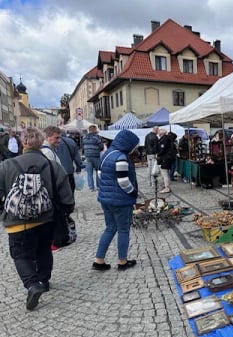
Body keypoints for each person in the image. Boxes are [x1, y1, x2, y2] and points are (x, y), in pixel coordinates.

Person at [0, 127, 74, 310]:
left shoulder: (6, 166)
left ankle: (32, 284)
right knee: (43, 250)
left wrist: (4, 212)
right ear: (41, 142)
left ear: (22, 142)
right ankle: (44, 280)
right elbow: (66, 195)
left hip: (17, 222)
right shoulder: (51, 165)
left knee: (21, 255)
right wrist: (66, 211)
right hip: (45, 218)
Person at [92, 129, 139, 272]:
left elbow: (100, 175)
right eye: (133, 146)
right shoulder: (121, 157)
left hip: (105, 199)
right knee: (123, 230)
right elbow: (123, 181)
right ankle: (122, 261)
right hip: (121, 201)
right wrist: (133, 193)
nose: (134, 149)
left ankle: (99, 260)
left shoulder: (107, 154)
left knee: (110, 228)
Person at [82, 125, 103, 191]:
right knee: (98, 171)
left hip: (88, 157)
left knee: (89, 173)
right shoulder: (96, 137)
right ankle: (98, 186)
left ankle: (91, 187)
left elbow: (83, 146)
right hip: (96, 156)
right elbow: (101, 146)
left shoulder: (84, 137)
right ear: (94, 130)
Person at [156, 128, 172, 193]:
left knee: (164, 173)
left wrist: (157, 155)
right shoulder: (165, 139)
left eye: (159, 132)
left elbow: (162, 149)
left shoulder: (164, 139)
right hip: (166, 158)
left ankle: (167, 187)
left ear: (162, 133)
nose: (158, 133)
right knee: (165, 173)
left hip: (165, 158)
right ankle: (166, 186)